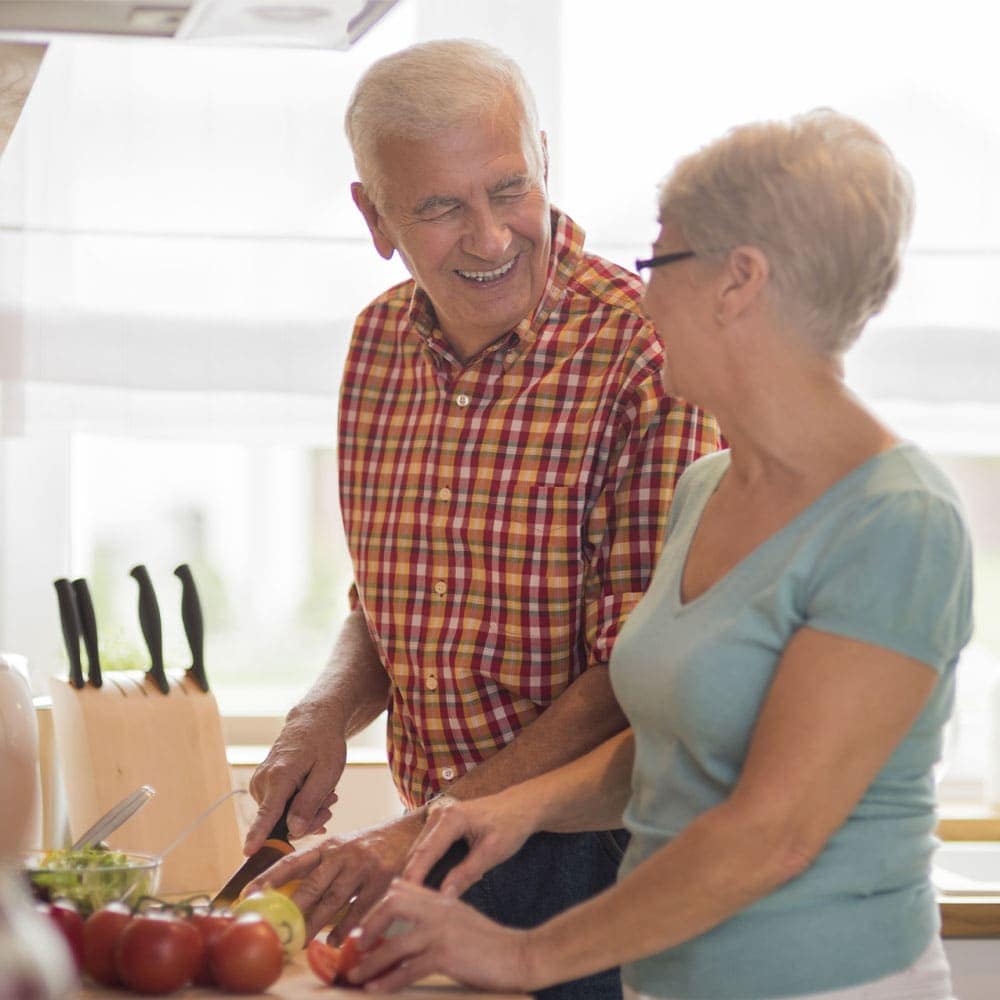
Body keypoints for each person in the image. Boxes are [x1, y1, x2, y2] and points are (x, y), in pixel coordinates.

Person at [343, 109, 974, 1000]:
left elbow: (772, 831)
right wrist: (508, 810)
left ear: (738, 282)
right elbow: (686, 747)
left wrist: (523, 955)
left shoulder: (896, 520)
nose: (640, 298)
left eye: (659, 264)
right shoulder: (708, 488)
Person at [244, 38, 720, 1000]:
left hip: (601, 858)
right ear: (374, 217)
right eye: (441, 207)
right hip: (438, 847)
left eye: (509, 189)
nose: (493, 236)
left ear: (544, 158)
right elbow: (391, 600)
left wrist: (420, 832)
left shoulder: (647, 355)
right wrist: (326, 710)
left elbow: (636, 671)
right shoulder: (377, 346)